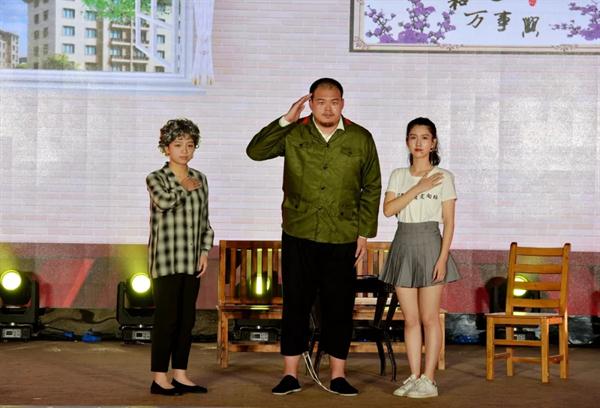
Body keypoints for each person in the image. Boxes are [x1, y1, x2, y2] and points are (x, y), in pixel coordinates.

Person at [247, 78, 381, 396]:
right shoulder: (294, 132)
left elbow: (372, 186)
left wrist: (364, 233)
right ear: (310, 103)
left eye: (334, 102)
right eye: (321, 102)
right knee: (296, 304)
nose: (328, 108)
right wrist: (286, 119)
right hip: (299, 232)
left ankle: (338, 376)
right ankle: (290, 374)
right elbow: (255, 151)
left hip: (342, 236)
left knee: (338, 307)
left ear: (342, 103)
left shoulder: (361, 138)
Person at [379, 117, 460, 399]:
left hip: (430, 245)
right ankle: (414, 376)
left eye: (425, 138)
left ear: (433, 143)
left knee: (429, 318)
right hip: (403, 243)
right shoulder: (398, 175)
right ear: (407, 142)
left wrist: (442, 258)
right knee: (410, 319)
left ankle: (429, 379)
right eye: (413, 137)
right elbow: (389, 210)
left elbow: (449, 222)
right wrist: (418, 188)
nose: (419, 143)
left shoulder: (444, 177)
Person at [146, 118, 214, 396]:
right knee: (167, 320)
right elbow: (164, 202)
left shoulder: (201, 178)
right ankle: (159, 378)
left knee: (187, 320)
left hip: (191, 260)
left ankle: (181, 375)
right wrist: (183, 186)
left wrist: (205, 251)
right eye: (178, 145)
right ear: (166, 148)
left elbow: (204, 219)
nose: (185, 150)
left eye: (190, 145)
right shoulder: (156, 178)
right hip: (166, 260)